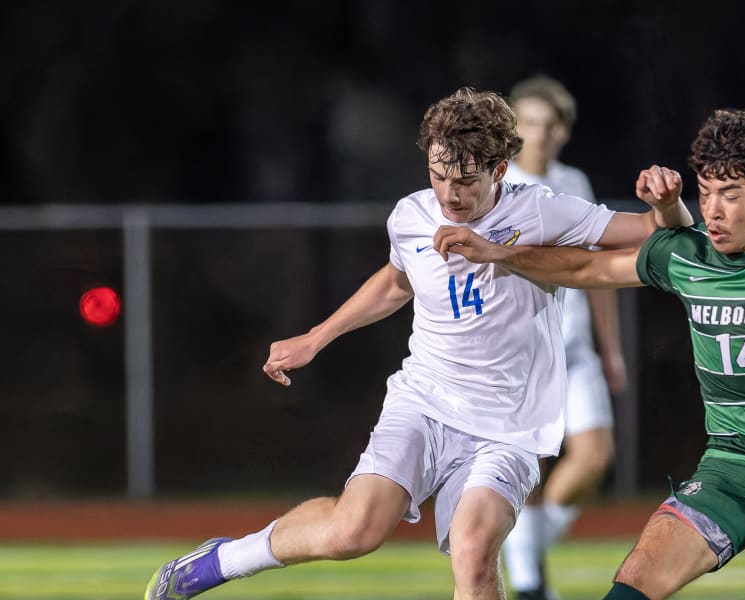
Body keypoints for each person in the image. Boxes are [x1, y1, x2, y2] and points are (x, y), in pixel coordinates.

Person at [143, 87, 692, 600]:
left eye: (466, 181)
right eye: (438, 176)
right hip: (426, 401)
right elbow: (396, 283)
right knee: (352, 532)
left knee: (474, 552)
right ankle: (222, 560)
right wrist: (316, 337)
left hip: (509, 424)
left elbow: (656, 230)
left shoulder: (541, 210)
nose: (450, 193)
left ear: (500, 169)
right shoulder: (410, 216)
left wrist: (667, 204)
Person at [434, 107, 745, 600]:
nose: (713, 210)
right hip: (732, 469)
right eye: (705, 193)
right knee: (636, 580)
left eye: (730, 195)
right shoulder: (691, 254)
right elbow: (586, 269)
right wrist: (499, 253)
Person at [499, 75, 627, 599]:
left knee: (594, 456)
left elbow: (598, 270)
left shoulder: (574, 181)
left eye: (549, 124)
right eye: (528, 123)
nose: (539, 133)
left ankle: (522, 552)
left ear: (564, 131)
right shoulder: (497, 182)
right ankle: (529, 583)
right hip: (520, 352)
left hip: (573, 348)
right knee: (529, 467)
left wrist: (611, 349)